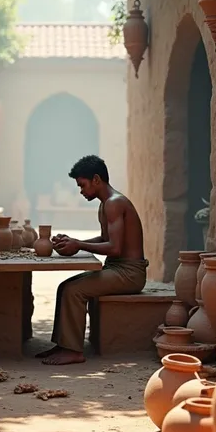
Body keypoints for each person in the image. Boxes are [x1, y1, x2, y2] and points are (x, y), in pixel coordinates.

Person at [37, 155, 148, 366]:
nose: (81, 191)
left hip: (130, 274)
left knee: (74, 290)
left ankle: (73, 351)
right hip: (117, 269)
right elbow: (105, 240)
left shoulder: (114, 203)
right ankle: (64, 345)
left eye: (82, 185)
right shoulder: (105, 204)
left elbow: (114, 248)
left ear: (96, 179)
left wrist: (78, 245)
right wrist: (73, 241)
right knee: (65, 286)